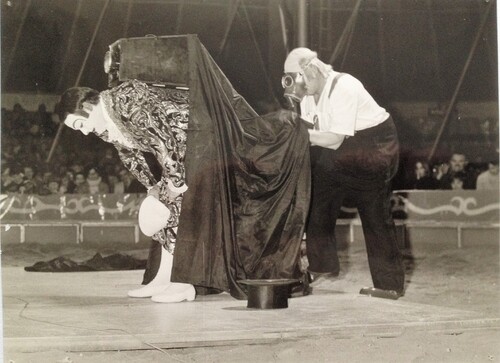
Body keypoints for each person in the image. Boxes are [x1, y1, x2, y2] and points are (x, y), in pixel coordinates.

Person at [282, 47, 405, 298]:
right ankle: (321, 266)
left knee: (374, 213)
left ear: (312, 71)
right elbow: (312, 136)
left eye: (300, 80)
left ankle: (389, 285)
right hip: (342, 146)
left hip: (374, 146)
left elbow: (333, 139)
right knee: (315, 198)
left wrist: (296, 134)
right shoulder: (307, 94)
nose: (300, 89)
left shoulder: (345, 86)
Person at [58, 80, 195, 303]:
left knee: (175, 205)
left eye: (79, 124)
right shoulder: (105, 123)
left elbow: (163, 141)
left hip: (199, 137)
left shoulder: (126, 99)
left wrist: (173, 185)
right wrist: (152, 187)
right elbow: (131, 155)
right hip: (178, 150)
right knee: (161, 207)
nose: (84, 133)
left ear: (87, 107)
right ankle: (164, 278)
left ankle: (182, 283)